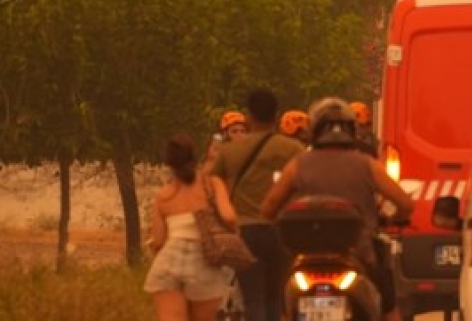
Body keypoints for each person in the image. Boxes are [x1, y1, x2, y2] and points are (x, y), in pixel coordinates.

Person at [262, 97, 415, 321]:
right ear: (352, 130)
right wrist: (393, 218)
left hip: (304, 257)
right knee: (388, 306)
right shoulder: (367, 165)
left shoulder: (298, 165)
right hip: (360, 254)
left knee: (285, 306)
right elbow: (406, 204)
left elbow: (268, 208)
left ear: (313, 131)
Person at [212, 88, 305, 321]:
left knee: (253, 298)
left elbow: (213, 183)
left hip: (247, 232)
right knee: (275, 296)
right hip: (282, 232)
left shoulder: (229, 151)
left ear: (249, 116)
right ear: (276, 116)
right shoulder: (293, 149)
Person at [144, 134, 238, 321]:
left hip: (168, 263)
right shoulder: (212, 184)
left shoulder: (164, 196)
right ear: (195, 158)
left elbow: (159, 240)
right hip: (204, 263)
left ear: (170, 164)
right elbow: (230, 217)